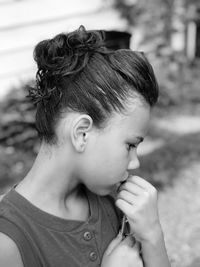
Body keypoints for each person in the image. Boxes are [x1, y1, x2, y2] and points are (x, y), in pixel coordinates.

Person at [0, 25, 171, 267]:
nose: (135, 162)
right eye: (130, 145)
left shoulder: (115, 206)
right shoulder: (8, 241)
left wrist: (153, 236)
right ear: (82, 133)